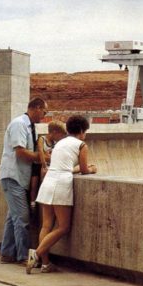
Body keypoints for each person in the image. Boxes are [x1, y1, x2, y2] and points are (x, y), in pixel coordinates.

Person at [27, 115, 97, 274]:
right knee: (63, 226)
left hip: (48, 181)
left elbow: (65, 166)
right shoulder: (82, 145)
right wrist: (92, 169)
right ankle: (36, 255)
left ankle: (45, 264)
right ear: (81, 130)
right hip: (61, 184)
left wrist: (78, 168)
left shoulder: (60, 143)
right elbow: (85, 170)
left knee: (46, 225)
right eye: (85, 131)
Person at [0, 97, 48, 264]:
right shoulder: (20, 124)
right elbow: (20, 152)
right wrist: (41, 157)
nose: (44, 115)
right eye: (44, 111)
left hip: (18, 178)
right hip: (13, 177)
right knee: (22, 218)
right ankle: (23, 256)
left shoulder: (28, 125)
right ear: (36, 108)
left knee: (13, 217)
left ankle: (7, 253)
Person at [30, 120, 67, 210]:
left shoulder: (54, 143)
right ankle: (32, 203)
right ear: (54, 132)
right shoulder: (42, 139)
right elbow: (41, 153)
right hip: (38, 165)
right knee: (34, 184)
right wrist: (44, 165)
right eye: (60, 135)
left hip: (48, 165)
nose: (60, 138)